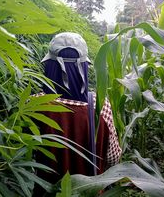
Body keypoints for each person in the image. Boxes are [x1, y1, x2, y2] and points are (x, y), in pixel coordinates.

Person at [36, 32, 122, 186]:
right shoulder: (99, 105)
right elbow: (113, 158)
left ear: (49, 64)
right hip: (88, 189)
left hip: (48, 190)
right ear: (84, 66)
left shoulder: (35, 103)